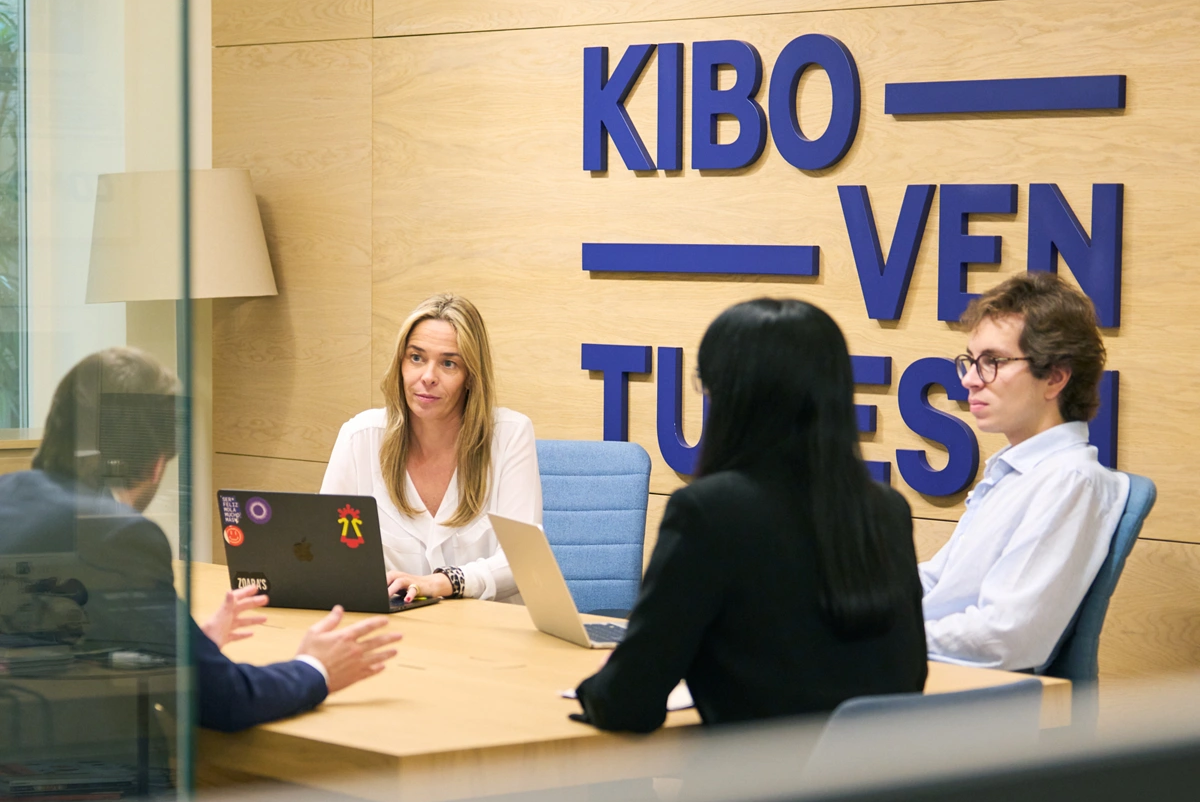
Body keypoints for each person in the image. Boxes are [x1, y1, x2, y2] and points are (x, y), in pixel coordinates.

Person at [0, 348, 402, 733]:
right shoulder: (117, 535)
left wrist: (188, 645)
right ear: (158, 464)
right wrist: (316, 667)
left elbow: (59, 644)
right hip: (82, 771)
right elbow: (225, 701)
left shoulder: (8, 495)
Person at [574, 298, 927, 733]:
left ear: (728, 396)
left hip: (759, 774)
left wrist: (599, 687)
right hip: (882, 774)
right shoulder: (887, 509)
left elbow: (628, 704)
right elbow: (910, 676)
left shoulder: (708, 512)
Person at [920, 270, 1130, 671]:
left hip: (975, 696)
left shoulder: (1070, 481)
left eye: (993, 362)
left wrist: (889, 637)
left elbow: (1007, 635)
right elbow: (941, 582)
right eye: (971, 361)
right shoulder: (1014, 471)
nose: (969, 380)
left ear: (1055, 377)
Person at [320, 292, 540, 603]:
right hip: (392, 625)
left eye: (449, 363)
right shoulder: (360, 437)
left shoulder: (510, 435)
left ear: (471, 377)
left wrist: (443, 582)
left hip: (485, 626)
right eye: (416, 358)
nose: (427, 377)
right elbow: (327, 551)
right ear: (400, 363)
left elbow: (522, 561)